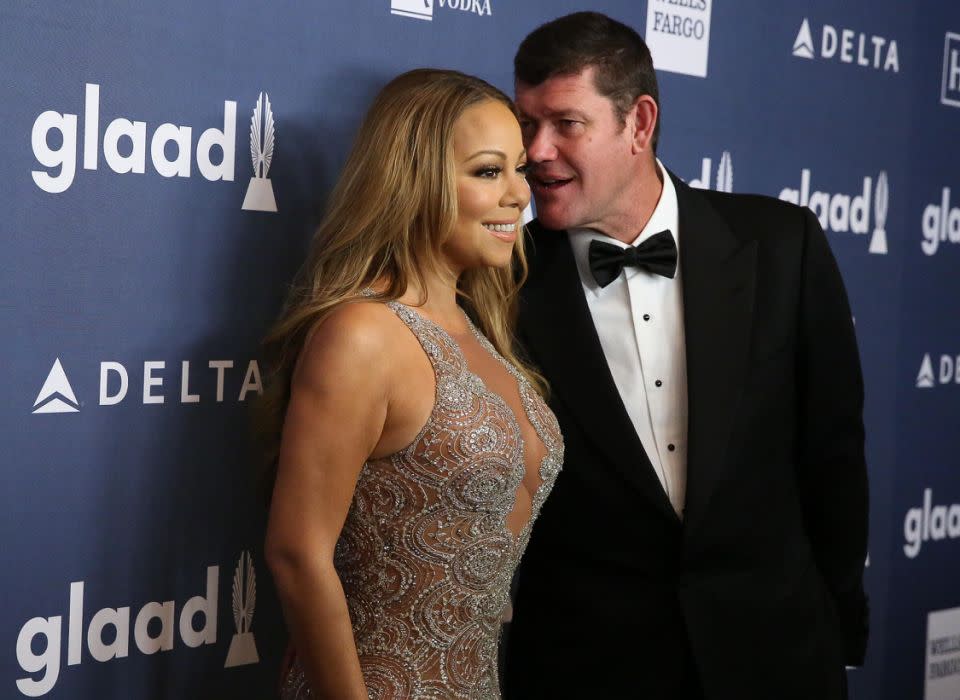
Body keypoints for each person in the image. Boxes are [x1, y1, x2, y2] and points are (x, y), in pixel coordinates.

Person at [502, 12, 868, 700]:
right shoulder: (504, 283)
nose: (536, 150)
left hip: (775, 656)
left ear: (638, 123)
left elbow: (833, 455)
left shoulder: (780, 245)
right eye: (525, 124)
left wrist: (838, 625)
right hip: (587, 670)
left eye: (565, 123)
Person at [259, 68, 563, 700]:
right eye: (487, 171)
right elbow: (297, 554)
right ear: (415, 181)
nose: (519, 196)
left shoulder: (482, 333)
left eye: (520, 170)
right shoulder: (361, 336)